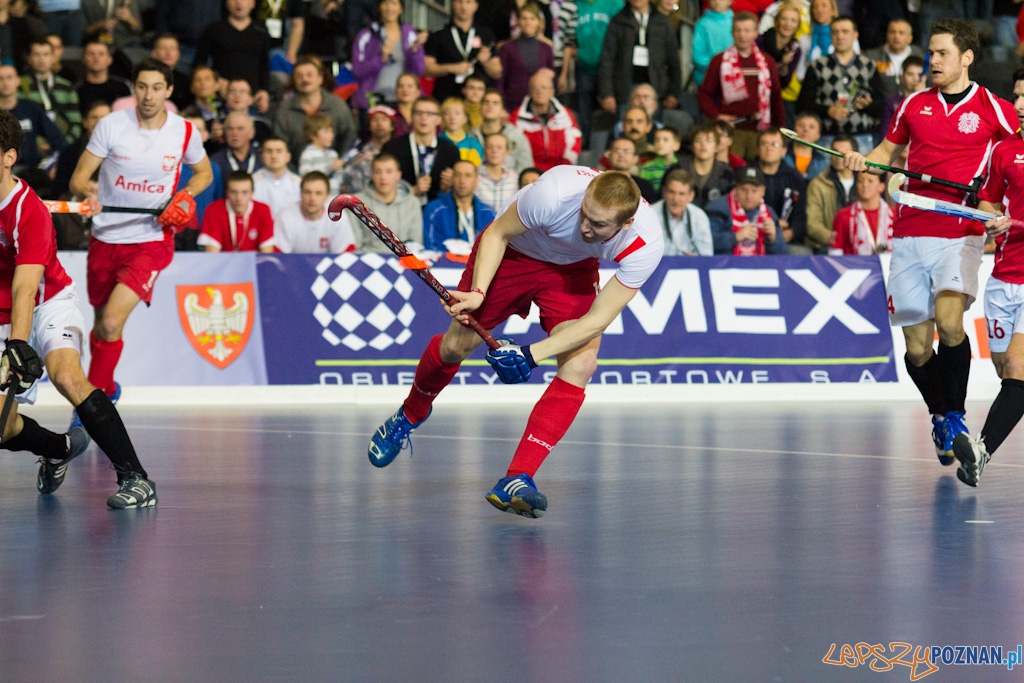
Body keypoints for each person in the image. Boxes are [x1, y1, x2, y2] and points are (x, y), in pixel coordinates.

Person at [367, 166, 665, 519]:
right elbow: (497, 233)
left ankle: (517, 477)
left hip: (573, 269)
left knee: (582, 364)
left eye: (598, 225)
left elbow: (597, 320)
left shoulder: (645, 243)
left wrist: (529, 354)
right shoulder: (553, 194)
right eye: (584, 214)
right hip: (513, 253)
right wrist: (478, 293)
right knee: (454, 348)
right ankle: (410, 413)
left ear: (626, 223)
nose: (585, 227)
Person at [844, 19, 1018, 466]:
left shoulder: (995, 108)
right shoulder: (913, 104)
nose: (933, 61)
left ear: (966, 57)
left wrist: (993, 202)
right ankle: (939, 415)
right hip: (909, 232)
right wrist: (863, 160)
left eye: (942, 53)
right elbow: (884, 153)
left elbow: (1013, 156)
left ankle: (955, 417)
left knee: (950, 322)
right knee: (918, 349)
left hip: (960, 232)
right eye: (931, 53)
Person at [0, 109, 157, 509]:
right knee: (3, 428)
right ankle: (59, 449)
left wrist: (17, 345)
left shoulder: (28, 211)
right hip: (3, 313)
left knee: (67, 376)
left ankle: (136, 479)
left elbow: (26, 287)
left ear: (9, 157)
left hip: (47, 303)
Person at [68, 57, 213, 424]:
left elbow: (204, 173)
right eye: (143, 87)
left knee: (111, 323)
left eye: (157, 88)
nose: (149, 96)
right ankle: (107, 388)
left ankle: (89, 410)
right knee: (101, 325)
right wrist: (89, 193)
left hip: (151, 239)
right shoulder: (111, 125)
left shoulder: (183, 131)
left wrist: (184, 197)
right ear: (134, 89)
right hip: (105, 237)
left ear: (169, 91)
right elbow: (78, 179)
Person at [951, 66, 1024, 486]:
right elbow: (989, 200)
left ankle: (981, 450)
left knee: (1017, 365)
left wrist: (1012, 222)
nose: (1019, 105)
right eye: (1016, 96)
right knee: (1006, 371)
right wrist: (989, 215)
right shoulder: (1004, 150)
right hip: (1003, 276)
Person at [697, 12, 787, 161]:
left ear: (755, 33)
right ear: (732, 33)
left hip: (760, 130)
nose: (742, 35)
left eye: (747, 30)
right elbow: (704, 94)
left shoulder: (767, 61)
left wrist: (779, 129)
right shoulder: (719, 61)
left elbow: (776, 97)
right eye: (738, 30)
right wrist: (717, 116)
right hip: (731, 131)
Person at [795, 16, 884, 154]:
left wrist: (867, 105)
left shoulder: (869, 66)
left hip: (862, 137)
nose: (840, 36)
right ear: (830, 36)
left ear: (855, 35)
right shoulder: (817, 66)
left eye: (845, 31)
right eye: (835, 32)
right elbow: (803, 104)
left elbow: (881, 105)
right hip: (827, 138)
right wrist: (828, 110)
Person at [597, 0, 681, 117]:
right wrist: (607, 93)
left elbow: (674, 62)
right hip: (624, 88)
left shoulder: (662, 22)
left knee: (654, 125)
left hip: (657, 88)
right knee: (626, 123)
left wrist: (673, 93)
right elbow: (607, 60)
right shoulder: (618, 21)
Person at [273, 55, 358, 167]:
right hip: (294, 172)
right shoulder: (285, 110)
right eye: (299, 76)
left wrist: (339, 164)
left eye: (309, 75)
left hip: (334, 171)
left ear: (320, 78)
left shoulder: (337, 106)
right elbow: (279, 145)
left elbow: (349, 138)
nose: (305, 79)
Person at [193, 0, 271, 113]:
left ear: (252, 3)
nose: (239, 3)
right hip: (220, 95)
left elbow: (265, 64)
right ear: (226, 2)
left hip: (251, 97)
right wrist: (216, 81)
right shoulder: (214, 29)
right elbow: (199, 63)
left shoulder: (261, 30)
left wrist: (264, 90)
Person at [381, 96, 460, 204]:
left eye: (430, 114)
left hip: (438, 209)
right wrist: (412, 191)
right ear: (412, 116)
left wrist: (451, 185)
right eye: (419, 113)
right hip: (400, 207)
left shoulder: (450, 151)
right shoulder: (392, 148)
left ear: (439, 119)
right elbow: (381, 188)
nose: (424, 118)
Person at [422, 0, 502, 104]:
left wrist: (486, 63)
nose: (463, 6)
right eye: (459, 1)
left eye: (468, 2)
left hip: (477, 102)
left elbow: (497, 72)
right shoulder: (438, 34)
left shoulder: (486, 35)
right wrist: (451, 68)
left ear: (475, 5)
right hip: (445, 98)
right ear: (452, 4)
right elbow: (426, 69)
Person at [350, 0, 425, 111]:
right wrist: (380, 59)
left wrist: (414, 52)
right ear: (379, 7)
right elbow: (357, 70)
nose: (389, 8)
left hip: (403, 100)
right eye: (385, 3)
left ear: (401, 9)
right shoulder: (367, 35)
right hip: (373, 99)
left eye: (394, 3)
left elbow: (418, 71)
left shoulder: (410, 34)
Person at [705, 165, 789, 255]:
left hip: (760, 263)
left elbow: (784, 255)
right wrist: (736, 237)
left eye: (754, 191)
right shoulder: (717, 208)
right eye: (744, 190)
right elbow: (704, 242)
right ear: (736, 188)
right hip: (726, 263)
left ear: (763, 191)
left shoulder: (769, 213)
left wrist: (773, 239)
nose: (749, 196)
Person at [510, 70, 581, 172]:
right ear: (529, 91)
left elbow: (575, 143)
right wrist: (530, 170)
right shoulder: (516, 117)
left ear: (552, 91)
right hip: (529, 172)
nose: (540, 91)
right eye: (535, 88)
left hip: (561, 170)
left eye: (544, 87)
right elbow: (514, 149)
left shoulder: (565, 114)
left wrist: (563, 166)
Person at [353, 153, 421, 253]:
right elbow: (355, 245)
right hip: (368, 259)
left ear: (398, 175)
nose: (383, 177)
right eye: (378, 172)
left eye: (389, 172)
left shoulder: (412, 203)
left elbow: (415, 244)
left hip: (402, 260)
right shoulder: (356, 203)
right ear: (372, 175)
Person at [423, 160, 496, 252]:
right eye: (458, 175)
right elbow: (431, 247)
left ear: (476, 181)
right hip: (445, 261)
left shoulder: (489, 214)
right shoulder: (434, 210)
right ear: (452, 179)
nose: (462, 180)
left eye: (468, 175)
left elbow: (495, 248)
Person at [275, 171, 357, 253]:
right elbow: (279, 257)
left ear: (327, 196)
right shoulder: (285, 217)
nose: (312, 198)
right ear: (301, 194)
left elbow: (345, 255)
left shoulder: (337, 216)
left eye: (318, 193)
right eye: (307, 192)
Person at [755, 126, 808, 252]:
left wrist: (792, 232)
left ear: (784, 150)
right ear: (758, 148)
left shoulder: (795, 178)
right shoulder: (746, 174)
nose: (769, 148)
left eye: (775, 144)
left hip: (785, 239)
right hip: (753, 236)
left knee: (802, 253)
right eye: (765, 144)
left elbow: (801, 214)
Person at [20, 37, 80, 144]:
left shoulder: (66, 86)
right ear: (29, 58)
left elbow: (76, 122)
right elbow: (21, 121)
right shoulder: (20, 85)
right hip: (32, 146)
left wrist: (65, 144)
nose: (41, 59)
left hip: (64, 143)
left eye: (46, 54)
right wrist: (39, 144)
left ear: (53, 57)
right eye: (36, 54)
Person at [198, 170, 275, 252]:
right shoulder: (214, 209)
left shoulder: (263, 210)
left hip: (254, 260)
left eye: (244, 192)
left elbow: (267, 253)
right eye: (234, 192)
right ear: (227, 193)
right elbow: (212, 254)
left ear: (252, 193)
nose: (239, 198)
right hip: (224, 260)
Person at [497, 2, 554, 112]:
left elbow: (552, 79)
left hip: (539, 107)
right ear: (518, 21)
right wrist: (501, 107)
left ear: (539, 22)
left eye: (532, 19)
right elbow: (500, 80)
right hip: (512, 106)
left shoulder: (546, 48)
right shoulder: (507, 48)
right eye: (524, 18)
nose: (528, 22)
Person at [805, 134, 856, 253]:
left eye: (844, 152)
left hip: (862, 247)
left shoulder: (865, 182)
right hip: (827, 247)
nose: (838, 156)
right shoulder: (817, 184)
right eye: (834, 151)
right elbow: (813, 224)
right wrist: (837, 239)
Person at [470, 88, 535, 174]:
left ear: (502, 110)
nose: (490, 106)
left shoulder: (516, 136)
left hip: (512, 182)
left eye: (495, 103)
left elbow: (526, 168)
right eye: (486, 102)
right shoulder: (471, 136)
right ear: (480, 108)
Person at [828, 171, 893, 255]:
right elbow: (835, 253)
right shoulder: (843, 215)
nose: (865, 185)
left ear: (881, 187)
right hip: (853, 263)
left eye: (870, 181)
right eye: (860, 181)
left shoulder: (894, 215)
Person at [671, 122, 734, 208]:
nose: (703, 144)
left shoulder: (726, 172)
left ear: (716, 147)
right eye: (698, 140)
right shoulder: (678, 168)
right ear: (692, 146)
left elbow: (731, 204)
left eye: (709, 140)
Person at [336, 104, 395, 195]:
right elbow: (341, 178)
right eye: (375, 120)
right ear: (369, 126)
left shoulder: (399, 150)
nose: (379, 124)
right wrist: (354, 163)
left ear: (392, 126)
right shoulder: (357, 151)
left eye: (384, 119)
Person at [862, 18, 924, 106]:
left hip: (914, 107)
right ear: (887, 35)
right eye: (892, 32)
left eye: (901, 33)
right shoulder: (872, 57)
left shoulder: (920, 55)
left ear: (910, 38)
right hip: (882, 109)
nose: (896, 36)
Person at [653, 168, 713, 255]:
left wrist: (695, 259)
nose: (676, 199)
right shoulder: (651, 215)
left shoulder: (699, 217)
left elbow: (707, 256)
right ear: (664, 192)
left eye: (682, 194)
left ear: (691, 196)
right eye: (672, 192)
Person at [75, 39, 132, 111]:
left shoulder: (122, 87)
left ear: (110, 59)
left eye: (101, 54)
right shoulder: (77, 90)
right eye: (91, 54)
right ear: (83, 59)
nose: (96, 58)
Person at [211, 112, 264, 185]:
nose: (235, 133)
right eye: (230, 129)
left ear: (251, 133)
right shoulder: (215, 162)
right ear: (224, 132)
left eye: (240, 129)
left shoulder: (262, 158)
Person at [252, 136, 301, 215]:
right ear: (262, 156)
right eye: (269, 151)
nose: (274, 156)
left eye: (279, 151)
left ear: (288, 156)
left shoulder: (299, 184)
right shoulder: (252, 183)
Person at [605, 136, 658, 204]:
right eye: (617, 150)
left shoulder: (644, 187)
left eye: (627, 151)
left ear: (635, 158)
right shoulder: (597, 181)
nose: (621, 155)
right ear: (609, 155)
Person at [692, 0, 734, 86]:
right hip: (707, 79)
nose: (717, 2)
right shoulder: (702, 24)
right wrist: (719, 67)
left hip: (733, 79)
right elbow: (697, 55)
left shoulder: (735, 23)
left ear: (730, 1)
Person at [476, 132, 519, 212]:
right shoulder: (474, 176)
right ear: (484, 150)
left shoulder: (515, 179)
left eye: (499, 147)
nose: (494, 151)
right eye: (490, 147)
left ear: (507, 152)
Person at [782, 111, 830, 180]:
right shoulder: (781, 155)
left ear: (818, 135)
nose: (806, 129)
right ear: (794, 129)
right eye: (801, 125)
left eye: (811, 127)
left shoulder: (823, 162)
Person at [298, 113, 343, 184]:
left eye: (331, 131)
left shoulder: (333, 154)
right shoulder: (308, 154)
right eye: (326, 132)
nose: (331, 135)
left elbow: (340, 178)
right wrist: (330, 168)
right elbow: (306, 176)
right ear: (313, 135)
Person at [439, 96, 484, 166]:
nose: (452, 117)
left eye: (457, 113)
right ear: (441, 118)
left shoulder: (474, 145)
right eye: (447, 113)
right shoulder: (436, 142)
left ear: (465, 118)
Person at [638, 126, 680, 192]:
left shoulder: (682, 165)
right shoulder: (648, 167)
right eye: (657, 140)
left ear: (676, 146)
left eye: (665, 140)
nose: (660, 143)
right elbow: (644, 190)